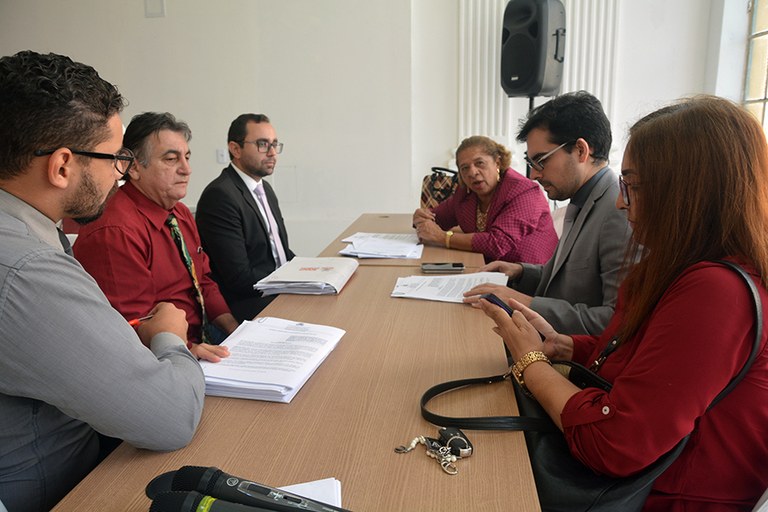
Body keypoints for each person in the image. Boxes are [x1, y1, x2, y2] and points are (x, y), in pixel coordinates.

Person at [479, 95, 768, 511]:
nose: (620, 201)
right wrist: (566, 346)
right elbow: (640, 355)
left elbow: (614, 445)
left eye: (632, 186)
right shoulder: (678, 265)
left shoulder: (718, 291)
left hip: (660, 496)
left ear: (687, 192)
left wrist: (531, 362)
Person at [0, 50, 205, 511]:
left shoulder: (31, 235)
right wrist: (170, 337)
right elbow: (170, 418)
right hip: (69, 489)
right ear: (62, 166)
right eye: (115, 158)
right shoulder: (27, 270)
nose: (119, 173)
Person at [465, 91, 630, 335]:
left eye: (541, 160)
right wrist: (520, 272)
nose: (534, 175)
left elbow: (617, 321)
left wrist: (527, 303)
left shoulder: (619, 211)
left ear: (581, 150)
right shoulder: (583, 198)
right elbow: (567, 276)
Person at [74, 112, 235, 362]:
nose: (187, 170)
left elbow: (203, 281)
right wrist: (189, 349)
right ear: (134, 167)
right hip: (161, 355)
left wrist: (234, 329)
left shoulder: (180, 213)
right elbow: (131, 325)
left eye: (187, 157)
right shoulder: (115, 231)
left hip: (202, 335)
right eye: (171, 159)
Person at [195, 114, 295, 322]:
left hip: (277, 292)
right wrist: (292, 283)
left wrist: (312, 272)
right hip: (249, 303)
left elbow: (282, 254)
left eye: (274, 144)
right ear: (235, 149)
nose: (272, 152)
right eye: (262, 144)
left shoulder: (265, 189)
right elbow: (239, 279)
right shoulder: (220, 195)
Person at [413, 135, 557, 264]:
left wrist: (443, 237)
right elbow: (437, 219)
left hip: (529, 276)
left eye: (479, 163)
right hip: (485, 268)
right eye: (465, 168)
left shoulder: (524, 191)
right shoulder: (465, 193)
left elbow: (497, 243)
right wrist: (421, 218)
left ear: (497, 163)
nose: (472, 172)